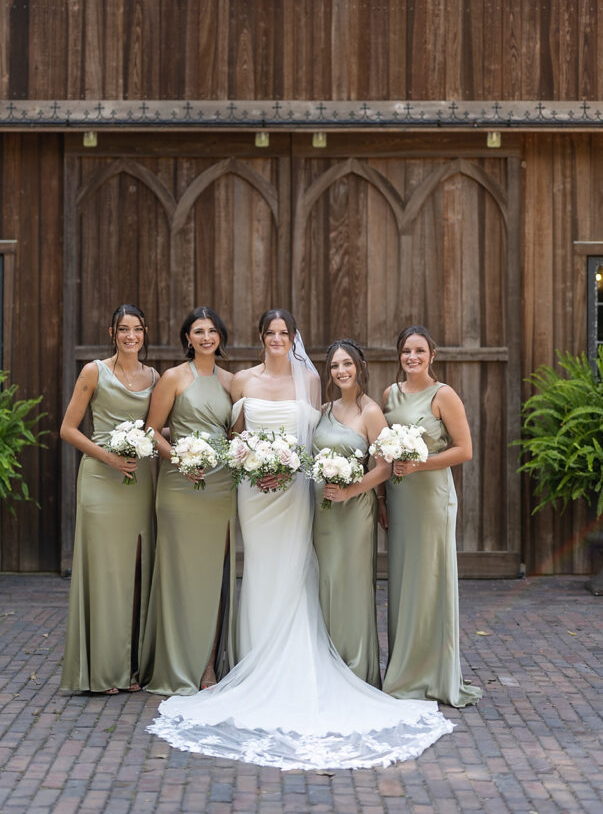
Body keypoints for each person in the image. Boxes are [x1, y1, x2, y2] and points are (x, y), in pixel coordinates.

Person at [147, 310, 454, 770]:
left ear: (293, 339)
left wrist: (313, 475)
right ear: (259, 338)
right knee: (260, 570)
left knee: (294, 569)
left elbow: (317, 441)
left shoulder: (311, 383)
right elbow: (233, 436)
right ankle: (250, 658)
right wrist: (250, 461)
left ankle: (297, 658)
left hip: (294, 492)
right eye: (269, 333)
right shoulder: (240, 382)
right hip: (253, 493)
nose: (276, 339)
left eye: (283, 333)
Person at [381, 325, 482, 708]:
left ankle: (433, 675)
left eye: (419, 351)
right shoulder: (389, 394)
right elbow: (381, 451)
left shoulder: (444, 395)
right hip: (400, 497)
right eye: (406, 351)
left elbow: (464, 450)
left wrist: (420, 464)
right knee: (403, 581)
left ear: (432, 355)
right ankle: (403, 670)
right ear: (399, 355)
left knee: (432, 580)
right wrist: (381, 499)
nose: (412, 357)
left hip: (433, 498)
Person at [60, 304, 158, 695]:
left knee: (136, 570)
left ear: (145, 332)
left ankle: (131, 668)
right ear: (112, 332)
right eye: (123, 329)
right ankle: (101, 672)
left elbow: (158, 425)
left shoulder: (155, 376)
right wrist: (109, 457)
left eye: (137, 329)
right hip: (101, 479)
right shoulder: (93, 371)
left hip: (139, 481)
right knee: (104, 573)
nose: (130, 336)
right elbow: (68, 429)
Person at [142, 307, 234, 695]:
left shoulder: (232, 381)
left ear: (220, 337)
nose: (206, 337)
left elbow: (236, 435)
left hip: (220, 487)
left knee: (213, 576)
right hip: (180, 486)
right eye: (199, 331)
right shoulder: (173, 378)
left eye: (212, 331)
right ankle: (176, 662)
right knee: (181, 575)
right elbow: (151, 431)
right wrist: (179, 458)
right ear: (187, 338)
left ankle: (208, 665)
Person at [312, 339, 390, 688]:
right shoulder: (325, 410)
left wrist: (350, 491)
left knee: (354, 584)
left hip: (356, 509)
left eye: (347, 364)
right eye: (334, 366)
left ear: (359, 367)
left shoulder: (370, 411)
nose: (341, 371)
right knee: (326, 581)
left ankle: (357, 669)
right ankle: (327, 661)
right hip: (324, 511)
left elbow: (385, 467)